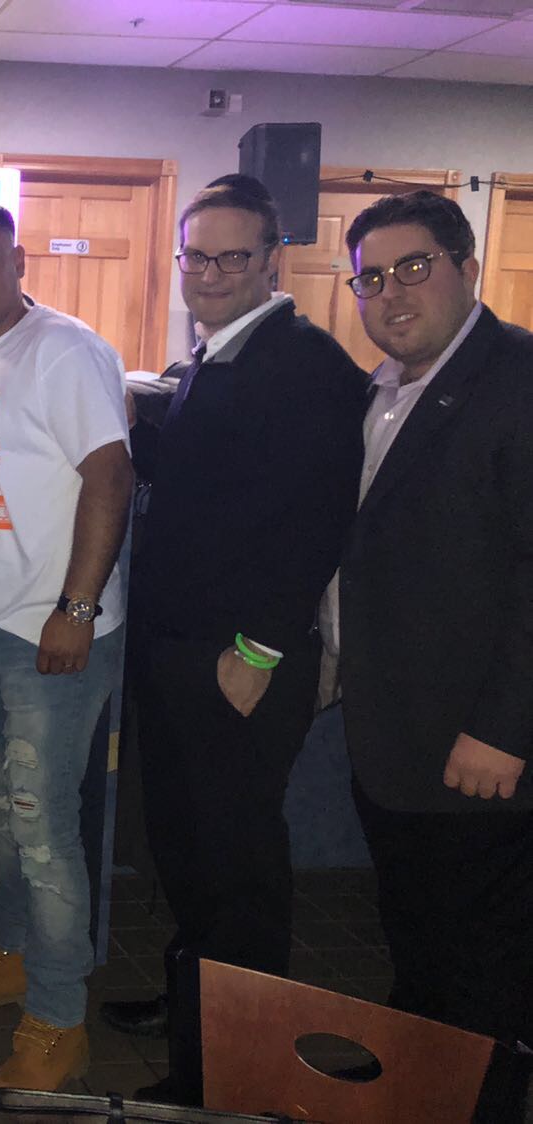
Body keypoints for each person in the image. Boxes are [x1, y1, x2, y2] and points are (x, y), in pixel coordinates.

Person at [106, 177, 367, 1105]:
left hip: (241, 661)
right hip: (185, 650)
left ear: (271, 261)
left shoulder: (303, 365)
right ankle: (195, 1007)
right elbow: (212, 487)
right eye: (197, 255)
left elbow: (316, 520)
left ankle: (229, 1076)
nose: (209, 273)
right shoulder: (218, 357)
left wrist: (256, 654)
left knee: (236, 867)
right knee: (189, 850)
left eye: (231, 256)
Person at [0, 197, 134, 1092]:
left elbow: (111, 474)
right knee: (9, 814)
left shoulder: (64, 350)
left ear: (18, 262)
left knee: (44, 832)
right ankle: (10, 952)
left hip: (55, 631)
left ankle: (58, 1017)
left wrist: (76, 607)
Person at [332, 191, 532, 1121]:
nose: (391, 293)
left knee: (486, 970)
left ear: (467, 268)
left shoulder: (517, 381)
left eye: (414, 268)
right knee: (421, 939)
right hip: (399, 735)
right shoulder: (383, 392)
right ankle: (416, 1086)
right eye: (371, 278)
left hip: (478, 748)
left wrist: (504, 729)